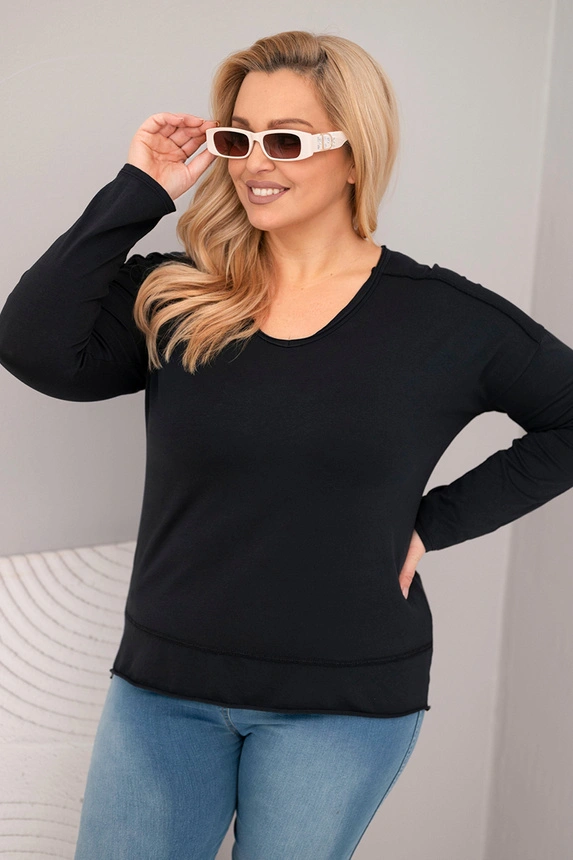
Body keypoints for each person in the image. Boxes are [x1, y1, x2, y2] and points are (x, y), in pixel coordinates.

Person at [1, 28, 573, 860]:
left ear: (354, 155)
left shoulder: (443, 320)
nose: (253, 164)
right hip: (164, 691)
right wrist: (141, 188)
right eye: (238, 138)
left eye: (287, 141)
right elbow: (33, 345)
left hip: (341, 704)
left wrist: (430, 524)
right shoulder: (182, 295)